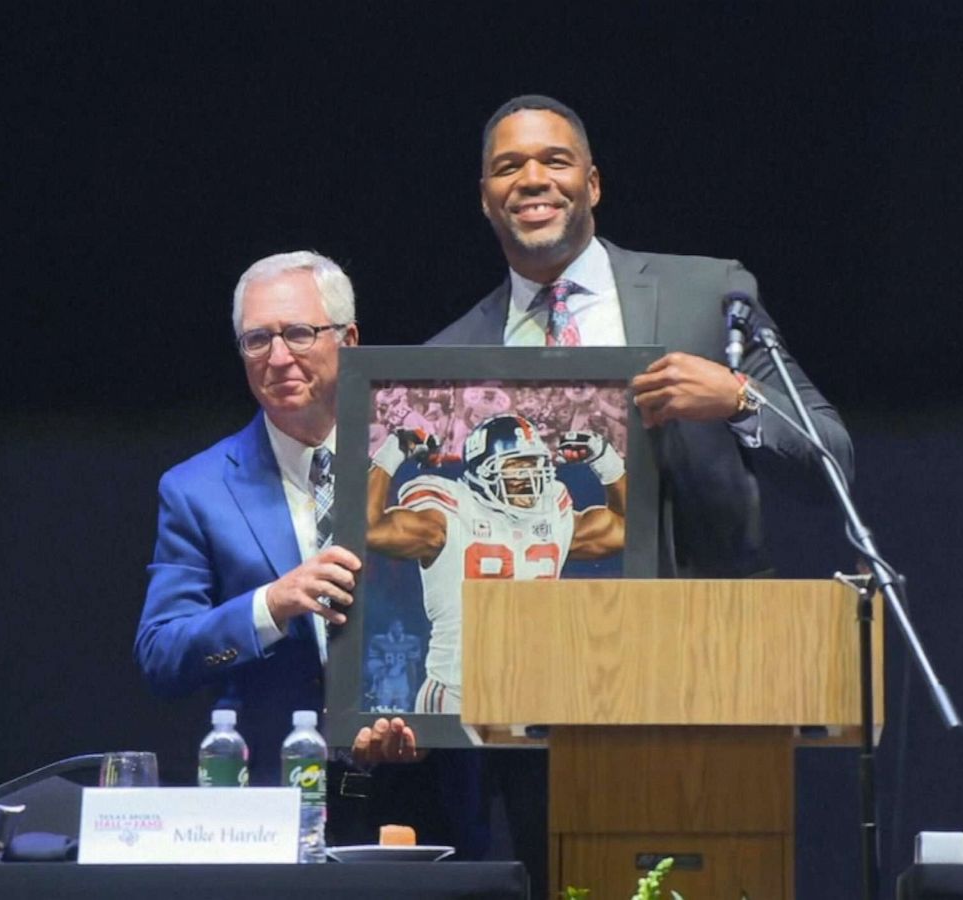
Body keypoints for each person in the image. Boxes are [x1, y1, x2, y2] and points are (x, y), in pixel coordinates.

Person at [429, 93, 854, 578]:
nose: (532, 179)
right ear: (485, 198)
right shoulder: (447, 358)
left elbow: (833, 464)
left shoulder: (705, 297)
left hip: (702, 633)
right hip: (525, 640)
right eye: (509, 167)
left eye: (555, 161)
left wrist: (740, 399)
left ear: (592, 185)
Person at [133, 251, 428, 840]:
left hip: (424, 784)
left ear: (349, 339)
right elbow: (161, 655)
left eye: (298, 332)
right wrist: (271, 604)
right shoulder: (196, 489)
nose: (279, 357)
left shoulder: (424, 460)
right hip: (276, 801)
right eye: (257, 340)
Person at [365, 413, 627, 712]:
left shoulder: (554, 516)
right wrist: (392, 452)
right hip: (456, 692)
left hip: (530, 692)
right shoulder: (448, 516)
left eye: (534, 464)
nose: (530, 477)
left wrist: (607, 460)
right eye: (516, 467)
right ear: (481, 472)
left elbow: (627, 527)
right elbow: (368, 528)